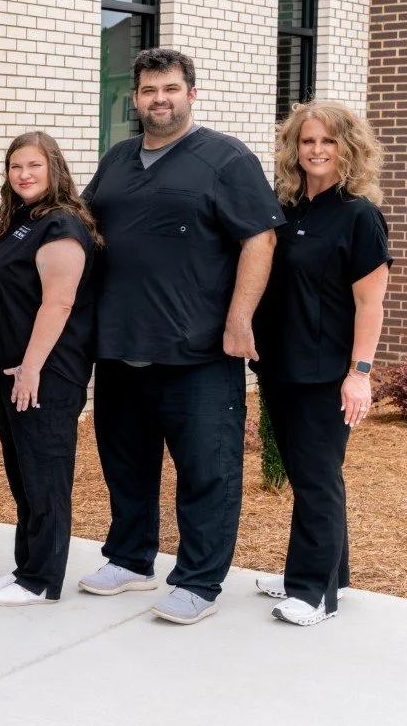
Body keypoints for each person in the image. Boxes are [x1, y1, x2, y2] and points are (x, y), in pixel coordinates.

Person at [80, 47, 283, 625]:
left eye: (169, 89)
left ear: (191, 94)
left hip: (197, 351)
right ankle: (130, 558)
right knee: (126, 464)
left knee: (206, 470)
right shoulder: (118, 159)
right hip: (119, 346)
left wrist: (240, 318)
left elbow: (260, 240)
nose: (158, 100)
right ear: (135, 98)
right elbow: (87, 228)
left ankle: (198, 581)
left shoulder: (225, 158)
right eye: (147, 91)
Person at [253, 101, 390, 625]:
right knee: (310, 472)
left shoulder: (359, 214)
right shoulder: (285, 209)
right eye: (307, 141)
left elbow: (370, 302)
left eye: (327, 142)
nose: (316, 150)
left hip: (326, 373)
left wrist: (360, 373)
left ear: (347, 148)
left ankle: (314, 593)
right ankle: (326, 574)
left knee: (316, 478)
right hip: (281, 366)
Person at [0, 132, 98, 607]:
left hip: (46, 375)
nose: (23, 174)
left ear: (55, 170)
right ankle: (27, 566)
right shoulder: (23, 221)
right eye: (15, 166)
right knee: (24, 477)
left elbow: (59, 302)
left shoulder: (61, 225)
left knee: (45, 478)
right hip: (11, 373)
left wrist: (30, 368)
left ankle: (42, 580)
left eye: (34, 166)